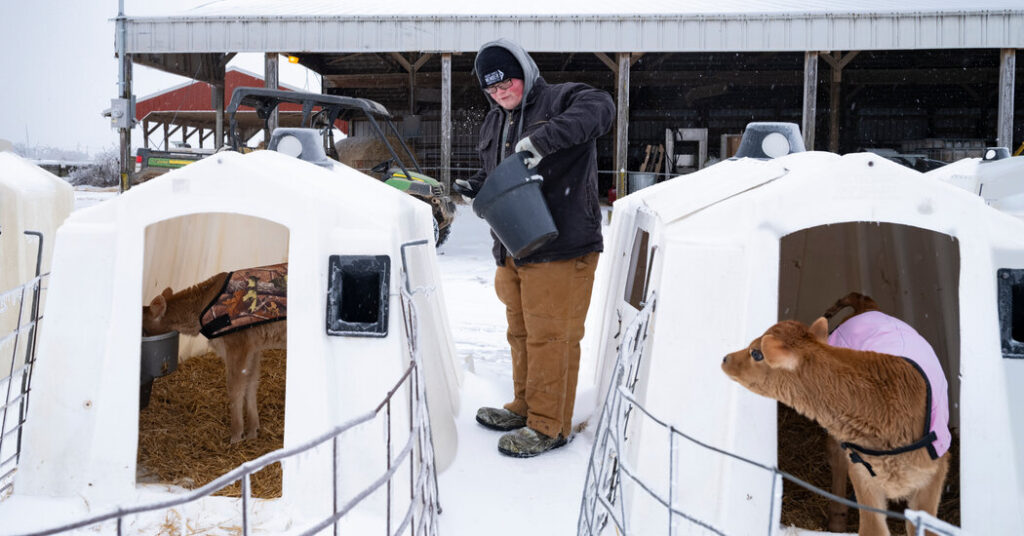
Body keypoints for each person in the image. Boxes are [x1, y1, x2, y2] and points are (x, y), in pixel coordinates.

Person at [453, 38, 615, 458]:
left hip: (562, 244)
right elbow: (500, 172)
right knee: (522, 334)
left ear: (523, 72)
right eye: (491, 89)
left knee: (552, 337)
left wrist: (544, 139)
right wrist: (476, 184)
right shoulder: (495, 121)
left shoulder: (562, 99)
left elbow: (601, 108)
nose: (500, 93)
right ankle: (525, 408)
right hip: (514, 245)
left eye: (506, 83)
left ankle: (548, 425)